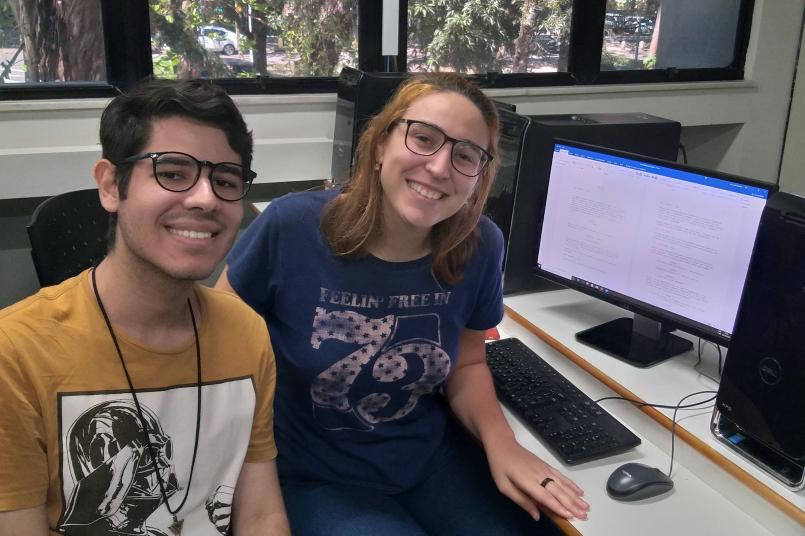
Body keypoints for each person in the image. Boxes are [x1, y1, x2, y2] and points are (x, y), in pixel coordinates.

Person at [216, 72, 589, 534]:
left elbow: (468, 362)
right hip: (316, 476)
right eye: (424, 138)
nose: (439, 167)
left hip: (429, 462)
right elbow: (219, 343)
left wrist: (502, 443)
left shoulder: (480, 245)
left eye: (465, 155)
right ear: (380, 145)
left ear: (480, 176)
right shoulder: (293, 226)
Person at [0, 79, 290, 535]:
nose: (206, 198)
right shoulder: (16, 352)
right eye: (172, 173)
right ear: (111, 186)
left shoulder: (246, 333)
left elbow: (261, 515)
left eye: (225, 181)